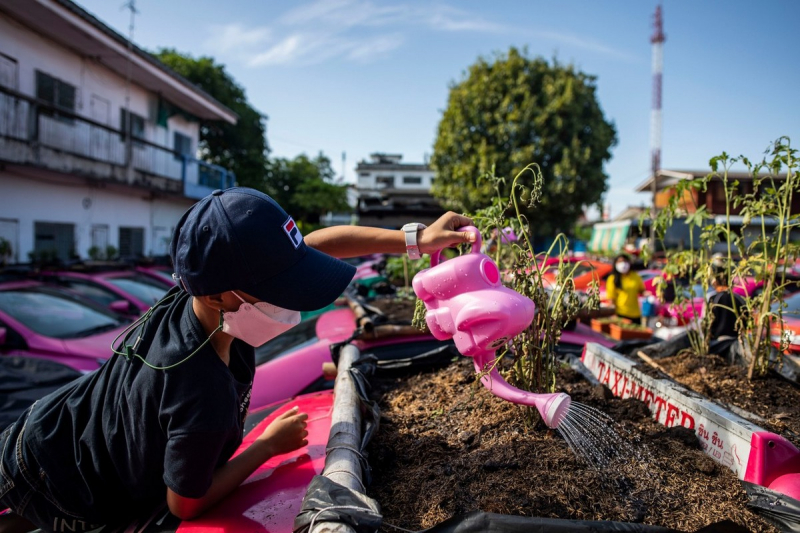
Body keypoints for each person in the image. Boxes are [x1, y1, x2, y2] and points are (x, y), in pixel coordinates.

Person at [0, 187, 475, 532]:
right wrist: (266, 446)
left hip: (60, 427)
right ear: (221, 296)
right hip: (50, 468)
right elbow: (185, 503)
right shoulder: (199, 383)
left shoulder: (203, 290)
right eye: (278, 290)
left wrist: (415, 239)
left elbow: (315, 243)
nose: (293, 302)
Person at [708, 267, 745, 340]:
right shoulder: (739, 298)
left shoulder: (714, 299)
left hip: (718, 341)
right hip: (737, 339)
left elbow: (708, 321)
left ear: (716, 282)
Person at [605, 254, 646, 322]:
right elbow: (611, 298)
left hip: (635, 313)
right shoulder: (612, 279)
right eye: (620, 262)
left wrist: (646, 293)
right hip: (621, 313)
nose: (623, 264)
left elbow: (641, 290)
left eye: (624, 261)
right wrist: (613, 314)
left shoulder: (635, 276)